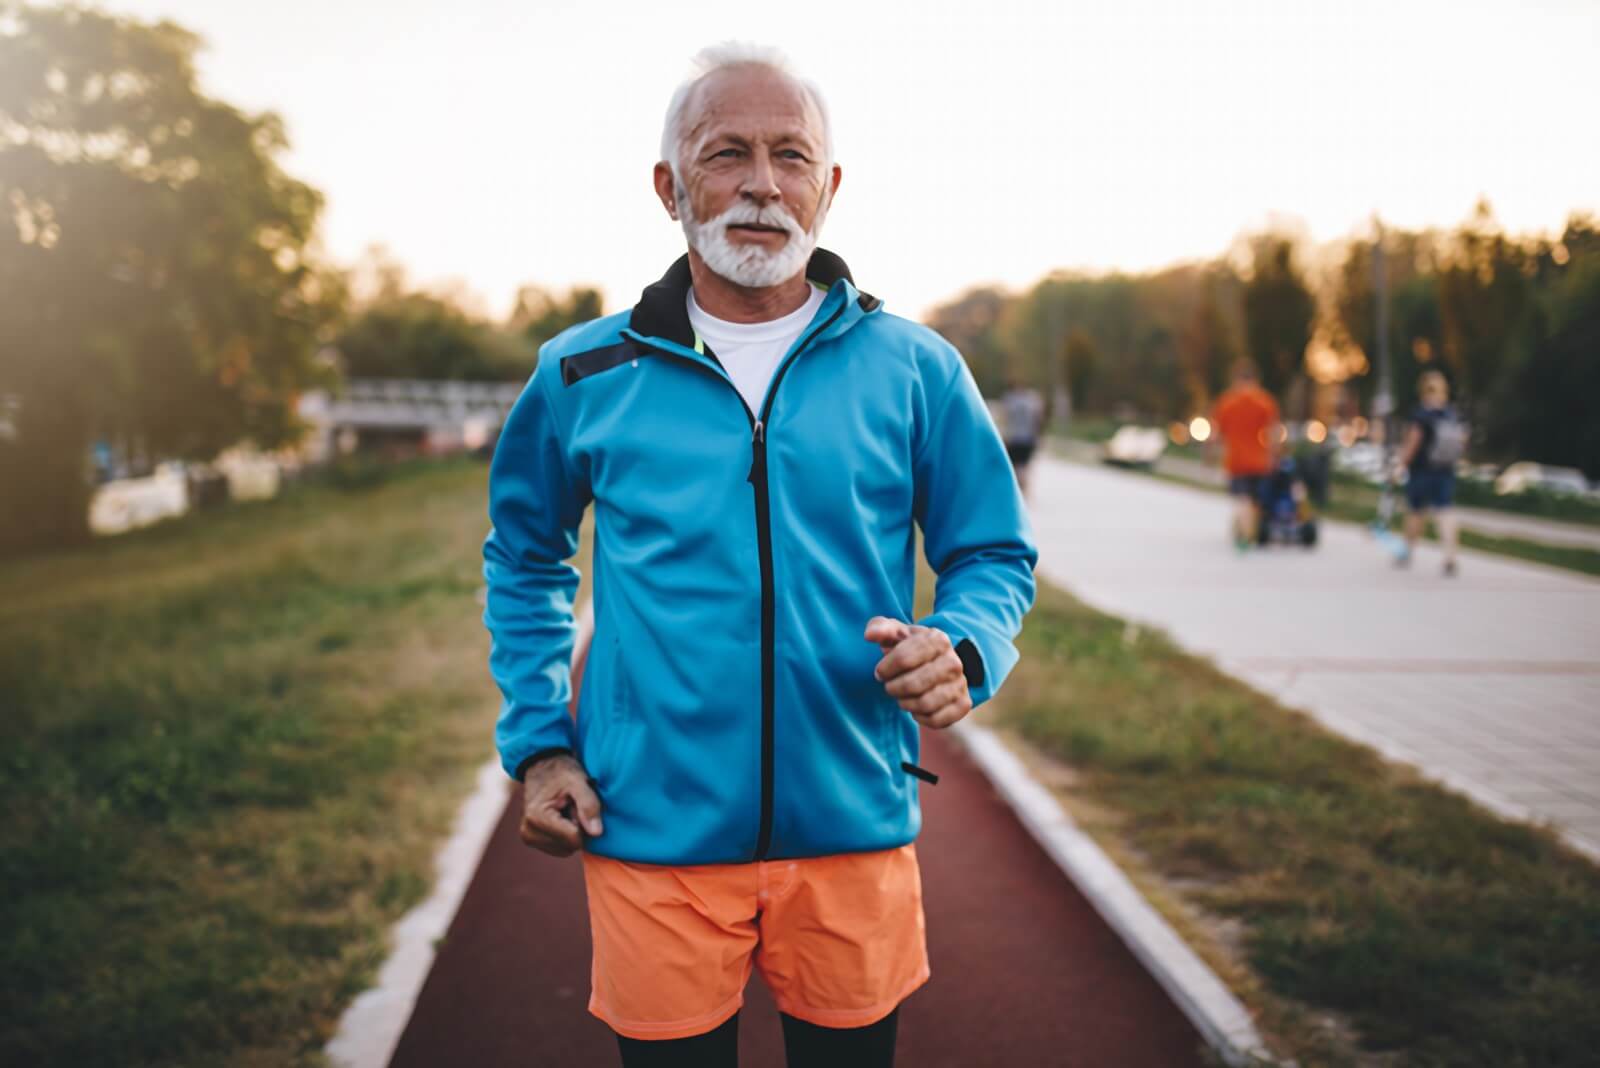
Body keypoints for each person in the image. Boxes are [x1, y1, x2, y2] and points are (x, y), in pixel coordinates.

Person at [480, 44, 1037, 1068]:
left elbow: (992, 550)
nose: (760, 184)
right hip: (649, 834)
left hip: (853, 825)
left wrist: (963, 646)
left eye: (790, 156)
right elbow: (523, 554)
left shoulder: (915, 368)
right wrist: (540, 742)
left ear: (828, 187)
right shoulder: (580, 372)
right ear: (669, 186)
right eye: (725, 153)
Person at [1395, 369, 1465, 576]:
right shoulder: (1450, 414)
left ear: (1422, 390)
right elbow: (1462, 442)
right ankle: (1450, 555)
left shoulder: (1422, 414)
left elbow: (1413, 443)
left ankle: (1407, 551)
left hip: (1421, 471)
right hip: (1444, 470)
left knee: (1416, 511)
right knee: (1445, 511)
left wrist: (1401, 464)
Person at [1209, 359, 1281, 551]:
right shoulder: (1265, 401)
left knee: (1242, 498)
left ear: (1236, 379)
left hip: (1236, 460)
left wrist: (1209, 455)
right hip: (1259, 460)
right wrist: (1274, 455)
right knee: (1255, 500)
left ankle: (1244, 535)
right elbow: (1273, 432)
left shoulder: (1227, 402)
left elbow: (1216, 434)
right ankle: (1247, 530)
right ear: (1255, 379)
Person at [1000, 377, 1046, 499]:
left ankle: (1019, 493)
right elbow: (1038, 420)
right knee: (1024, 467)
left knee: (1015, 468)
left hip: (1014, 438)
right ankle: (1024, 492)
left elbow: (1005, 418)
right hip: (1027, 438)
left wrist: (1004, 435)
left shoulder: (1009, 399)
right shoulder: (1033, 400)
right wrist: (1038, 436)